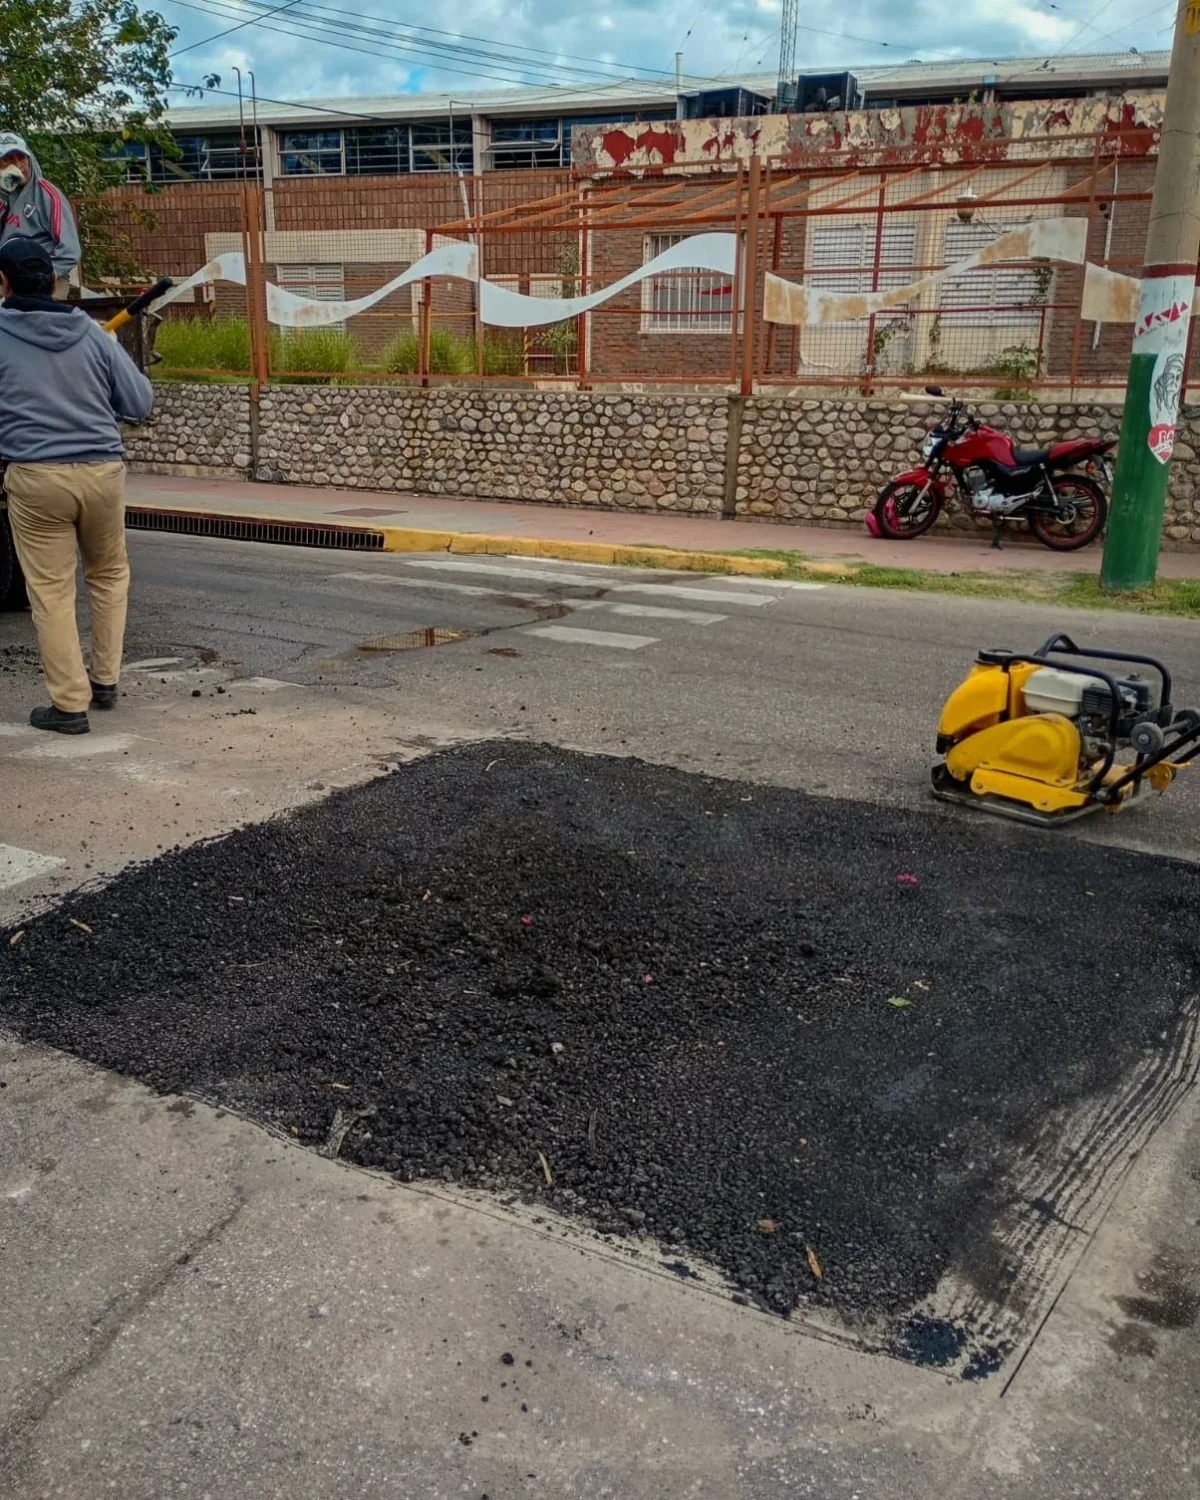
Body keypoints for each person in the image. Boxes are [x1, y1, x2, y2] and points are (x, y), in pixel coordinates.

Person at [0, 236, 153, 734]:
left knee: (51, 591)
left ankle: (69, 706)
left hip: (36, 476)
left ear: (4, 284)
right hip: (102, 471)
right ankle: (105, 680)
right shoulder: (90, 333)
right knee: (108, 575)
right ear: (54, 282)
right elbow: (138, 402)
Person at [0, 133, 81, 290]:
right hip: (8, 278)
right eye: (8, 159)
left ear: (29, 159)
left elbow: (70, 252)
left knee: (29, 304)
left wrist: (40, 277)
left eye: (21, 158)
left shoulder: (48, 196)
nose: (18, 165)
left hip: (45, 278)